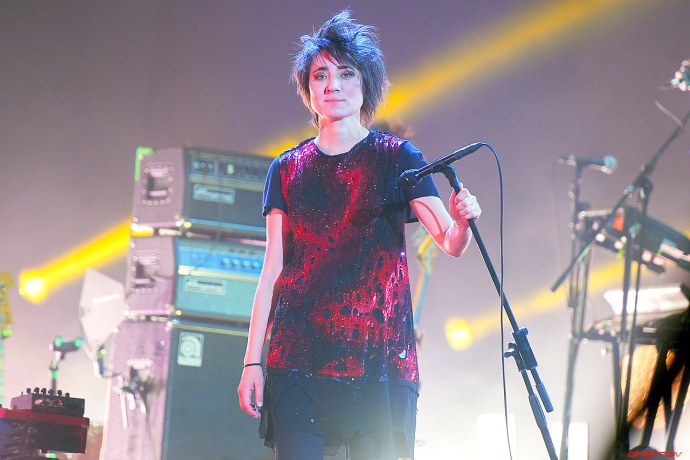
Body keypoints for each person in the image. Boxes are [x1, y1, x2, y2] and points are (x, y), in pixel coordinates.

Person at [237, 10, 481, 460]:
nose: (333, 85)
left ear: (366, 84)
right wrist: (253, 360)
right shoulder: (286, 168)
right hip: (299, 356)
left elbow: (450, 243)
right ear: (308, 90)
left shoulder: (399, 158)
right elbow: (272, 271)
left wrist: (462, 221)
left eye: (346, 74)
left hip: (378, 359)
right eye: (321, 76)